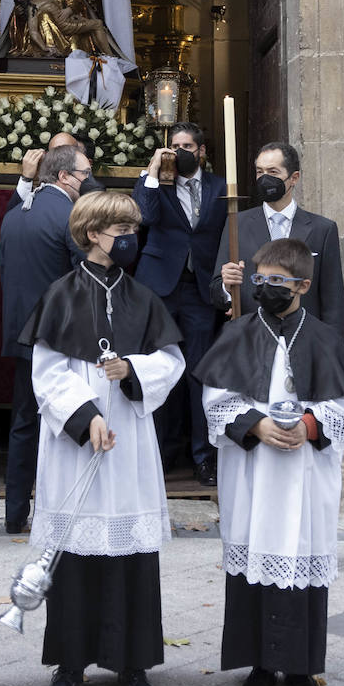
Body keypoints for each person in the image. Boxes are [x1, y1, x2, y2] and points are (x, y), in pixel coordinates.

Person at [19, 191, 184, 686]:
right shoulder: (59, 295)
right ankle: (70, 663)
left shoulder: (144, 296)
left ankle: (132, 665)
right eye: (123, 230)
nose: (132, 240)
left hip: (129, 440)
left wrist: (134, 369)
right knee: (74, 548)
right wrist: (86, 415)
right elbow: (45, 375)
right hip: (78, 443)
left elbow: (172, 360)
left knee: (132, 554)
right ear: (93, 234)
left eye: (135, 228)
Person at [197, 238, 344, 686]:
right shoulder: (236, 334)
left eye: (277, 280)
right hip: (254, 467)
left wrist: (311, 425)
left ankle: (300, 668)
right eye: (260, 279)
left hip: (305, 472)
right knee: (255, 556)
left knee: (301, 558)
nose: (266, 288)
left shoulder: (323, 338)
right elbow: (214, 400)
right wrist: (256, 423)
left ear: (303, 285)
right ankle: (257, 665)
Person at [0, 144, 89, 533]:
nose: (87, 181)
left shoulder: (15, 214)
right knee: (67, 421)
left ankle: (14, 513)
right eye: (84, 174)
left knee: (23, 424)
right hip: (61, 337)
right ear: (64, 176)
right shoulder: (70, 217)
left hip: (22, 335)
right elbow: (84, 280)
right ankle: (65, 510)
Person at [132, 122, 229, 485]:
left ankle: (203, 456)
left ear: (201, 151)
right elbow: (145, 216)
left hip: (200, 291)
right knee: (158, 371)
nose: (181, 150)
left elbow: (224, 237)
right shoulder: (157, 182)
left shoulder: (220, 187)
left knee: (198, 373)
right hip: (159, 288)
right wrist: (153, 172)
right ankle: (159, 453)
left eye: (188, 144)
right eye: (175, 145)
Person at [214, 141, 344, 337]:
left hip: (305, 337)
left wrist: (332, 353)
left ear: (294, 178)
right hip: (252, 337)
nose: (264, 178)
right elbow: (216, 290)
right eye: (260, 172)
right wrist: (226, 286)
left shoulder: (322, 229)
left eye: (273, 172)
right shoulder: (237, 224)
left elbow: (333, 302)